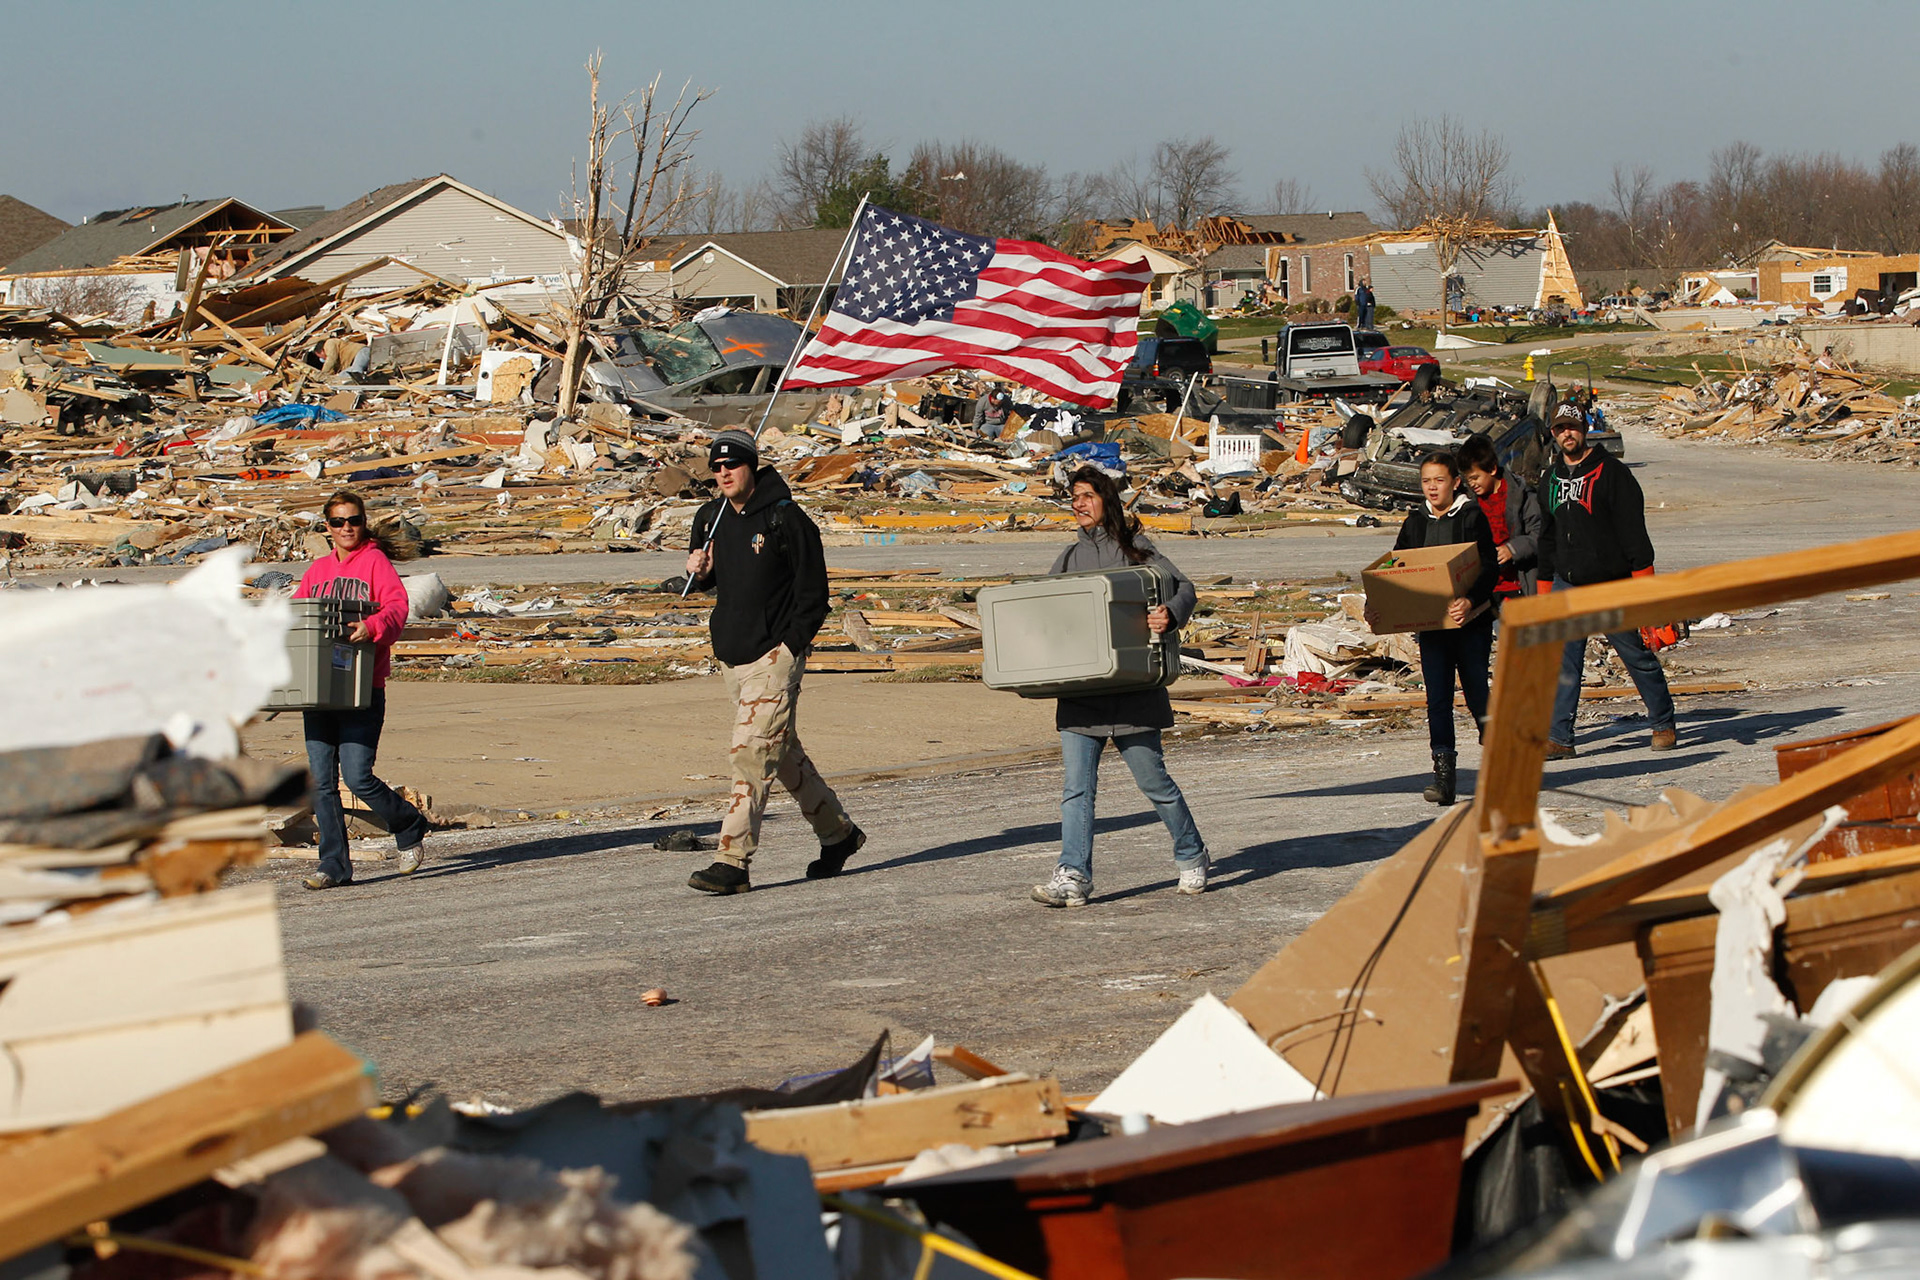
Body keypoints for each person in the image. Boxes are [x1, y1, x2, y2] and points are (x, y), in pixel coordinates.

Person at [683, 429, 865, 894]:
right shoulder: (710, 517)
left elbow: (814, 594)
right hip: (732, 656)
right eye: (716, 467)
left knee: (750, 753)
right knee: (779, 753)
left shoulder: (787, 519)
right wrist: (700, 573)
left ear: (752, 466)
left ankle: (733, 862)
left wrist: (790, 647)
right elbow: (713, 581)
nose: (723, 472)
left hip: (774, 656)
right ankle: (839, 835)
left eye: (733, 465)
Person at [1032, 466, 1209, 908]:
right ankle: (1073, 875)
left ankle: (1191, 853)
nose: (1079, 503)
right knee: (1077, 790)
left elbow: (1184, 587)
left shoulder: (1137, 549)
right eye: (1074, 496)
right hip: (1081, 695)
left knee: (1155, 785)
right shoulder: (1069, 559)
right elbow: (1047, 614)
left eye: (1088, 495)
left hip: (1133, 691)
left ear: (1107, 500)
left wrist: (1168, 613)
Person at [295, 490, 429, 890]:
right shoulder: (316, 571)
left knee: (357, 776)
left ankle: (407, 822)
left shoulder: (374, 562)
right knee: (320, 781)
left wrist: (372, 628)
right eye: (338, 522)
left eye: (353, 520)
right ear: (327, 528)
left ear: (363, 522)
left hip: (359, 687)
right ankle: (333, 865)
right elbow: (299, 619)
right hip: (318, 690)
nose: (346, 528)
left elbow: (397, 607)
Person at [1537, 402, 1678, 755]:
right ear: (1553, 434)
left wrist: (1646, 585)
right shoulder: (1550, 479)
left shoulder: (1613, 474)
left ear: (1584, 429)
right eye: (1559, 429)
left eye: (1572, 427)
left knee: (1636, 655)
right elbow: (1547, 537)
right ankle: (1560, 738)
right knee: (1565, 663)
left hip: (1610, 582)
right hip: (1567, 583)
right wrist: (1543, 589)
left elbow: (1633, 533)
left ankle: (1662, 724)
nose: (1566, 433)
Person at [1370, 454, 1497, 806]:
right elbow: (1395, 568)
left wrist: (1470, 600)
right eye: (1426, 480)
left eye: (1439, 480)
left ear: (1455, 482)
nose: (1432, 487)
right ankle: (1444, 777)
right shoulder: (1415, 522)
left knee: (1475, 691)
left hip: (1470, 624)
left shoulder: (1471, 517)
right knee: (1437, 700)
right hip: (1432, 627)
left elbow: (1488, 568)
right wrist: (1377, 601)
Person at [1456, 432, 1543, 605]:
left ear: (1492, 469)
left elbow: (1541, 534)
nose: (1472, 484)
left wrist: (1512, 549)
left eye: (1475, 477)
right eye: (1468, 480)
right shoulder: (1468, 503)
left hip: (1517, 585)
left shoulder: (1523, 496)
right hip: (1483, 589)